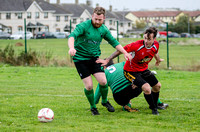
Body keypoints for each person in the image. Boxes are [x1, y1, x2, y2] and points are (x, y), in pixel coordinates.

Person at [68, 7, 132, 115]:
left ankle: (104, 101)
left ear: (104, 19)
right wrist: (71, 47)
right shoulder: (84, 26)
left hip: (94, 59)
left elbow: (114, 42)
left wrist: (125, 53)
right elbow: (72, 36)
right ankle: (93, 107)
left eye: (100, 20)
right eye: (95, 19)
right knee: (89, 86)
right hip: (80, 59)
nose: (97, 22)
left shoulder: (104, 29)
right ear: (92, 16)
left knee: (103, 81)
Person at [99, 27, 164, 115]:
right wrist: (108, 59)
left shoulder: (156, 45)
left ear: (154, 39)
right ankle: (154, 109)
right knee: (146, 88)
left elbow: (155, 52)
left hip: (143, 69)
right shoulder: (136, 45)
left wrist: (158, 60)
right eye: (145, 38)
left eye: (149, 39)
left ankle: (155, 104)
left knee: (157, 86)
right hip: (130, 71)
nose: (146, 41)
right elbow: (120, 51)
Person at [94, 60, 168, 114]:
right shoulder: (122, 64)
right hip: (133, 88)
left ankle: (126, 105)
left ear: (104, 66)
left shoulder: (104, 73)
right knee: (146, 84)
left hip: (118, 97)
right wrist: (135, 81)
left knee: (124, 94)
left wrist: (93, 104)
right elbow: (136, 71)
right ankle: (158, 103)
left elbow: (99, 91)